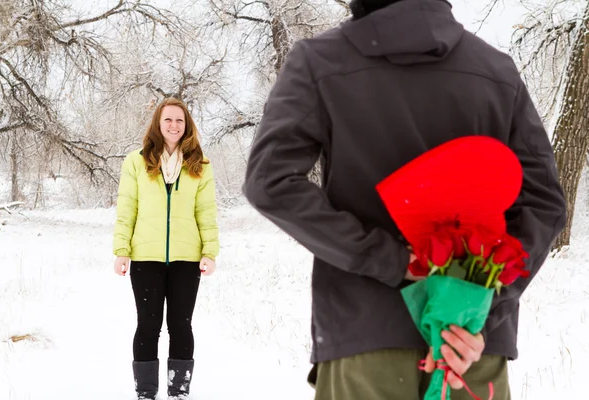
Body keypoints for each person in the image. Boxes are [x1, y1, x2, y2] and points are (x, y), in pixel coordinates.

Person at [242, 0, 566, 399]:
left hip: (365, 340)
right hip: (469, 350)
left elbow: (269, 182)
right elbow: (545, 202)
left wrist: (396, 261)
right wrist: (480, 305)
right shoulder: (496, 70)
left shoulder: (319, 63)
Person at [113, 98, 219, 399]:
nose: (174, 125)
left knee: (180, 325)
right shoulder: (137, 161)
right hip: (146, 257)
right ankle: (146, 393)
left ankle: (178, 392)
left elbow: (206, 212)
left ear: (187, 126)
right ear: (158, 125)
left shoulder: (200, 164)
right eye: (168, 120)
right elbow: (127, 208)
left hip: (187, 258)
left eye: (179, 120)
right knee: (148, 325)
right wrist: (122, 250)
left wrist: (209, 252)